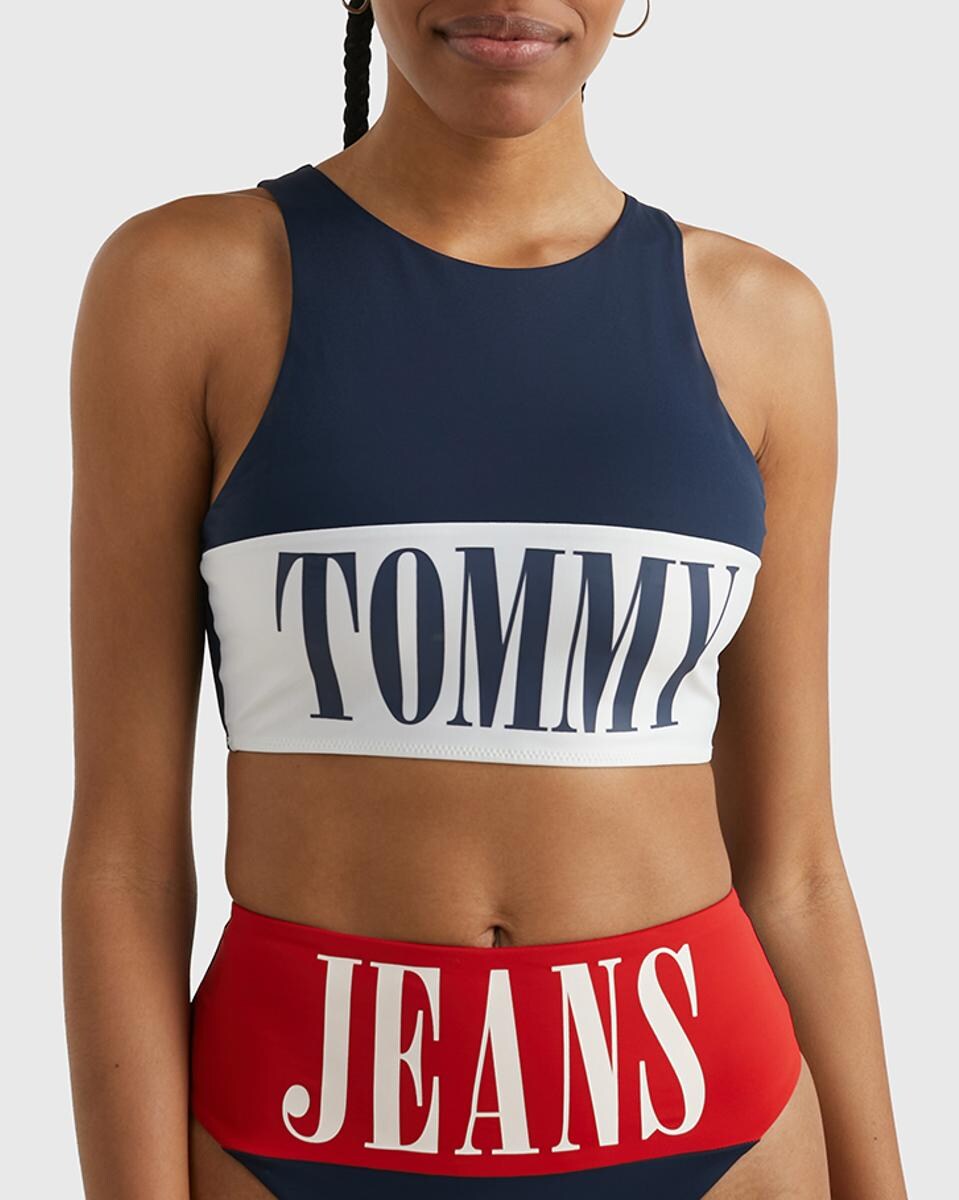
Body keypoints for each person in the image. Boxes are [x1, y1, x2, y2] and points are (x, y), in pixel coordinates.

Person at [63, 2, 909, 1197]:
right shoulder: (190, 286)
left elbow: (798, 866)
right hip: (299, 1127)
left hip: (710, 1122)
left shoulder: (761, 322)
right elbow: (126, 862)